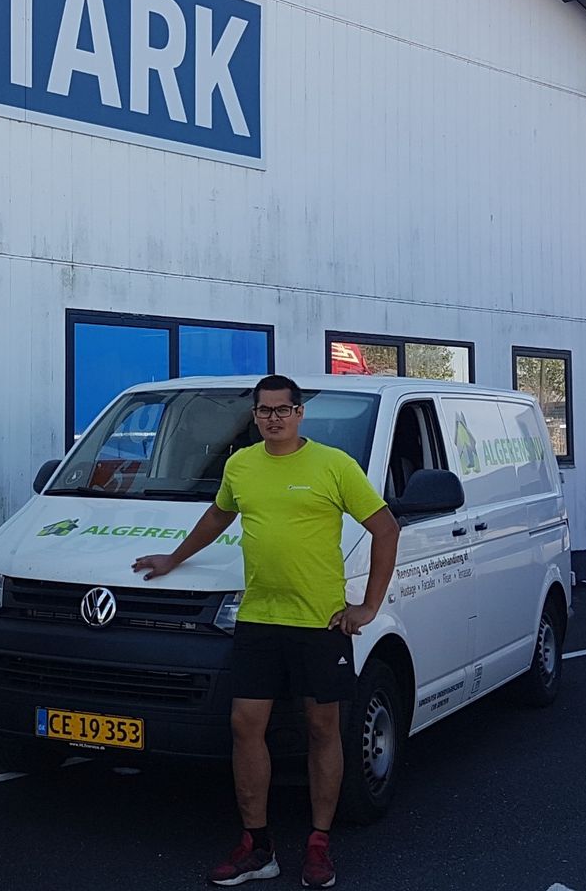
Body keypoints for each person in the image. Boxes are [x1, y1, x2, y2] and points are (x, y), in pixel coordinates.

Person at [133, 375, 400, 890]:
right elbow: (217, 515)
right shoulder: (241, 465)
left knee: (323, 730)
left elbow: (385, 527)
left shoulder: (334, 465)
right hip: (258, 618)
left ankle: (318, 843)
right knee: (244, 726)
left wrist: (369, 606)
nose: (273, 418)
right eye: (264, 411)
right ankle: (257, 847)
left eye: (283, 409)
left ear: (300, 413)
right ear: (254, 416)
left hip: (320, 622)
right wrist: (174, 558)